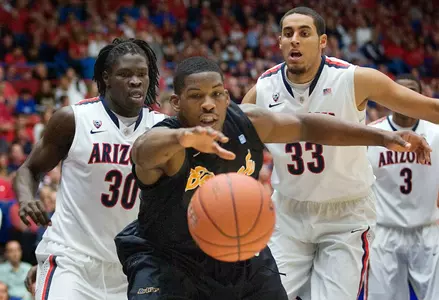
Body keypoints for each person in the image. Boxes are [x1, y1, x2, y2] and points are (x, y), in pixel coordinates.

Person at [114, 56, 431, 300]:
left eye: (216, 94)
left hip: (235, 248)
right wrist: (184, 138)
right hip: (166, 257)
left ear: (227, 97)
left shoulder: (246, 121)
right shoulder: (167, 142)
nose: (208, 103)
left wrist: (381, 138)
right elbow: (142, 150)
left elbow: (308, 125)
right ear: (177, 103)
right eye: (196, 96)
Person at [241, 6, 439, 300]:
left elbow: (429, 108)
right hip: (288, 213)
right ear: (280, 42)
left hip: (345, 214)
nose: (295, 39)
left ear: (322, 42)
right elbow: (237, 140)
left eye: (304, 33)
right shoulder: (263, 89)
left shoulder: (353, 79)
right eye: (288, 33)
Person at [14, 38, 165, 300]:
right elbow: (29, 169)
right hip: (72, 259)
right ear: (106, 78)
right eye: (125, 74)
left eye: (142, 74)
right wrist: (27, 199)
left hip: (131, 265)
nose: (136, 81)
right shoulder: (74, 119)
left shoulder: (163, 129)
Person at [366, 74, 439, 300]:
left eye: (411, 92)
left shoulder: (435, 131)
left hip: (427, 230)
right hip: (384, 232)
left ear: (420, 97)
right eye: (401, 92)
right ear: (391, 97)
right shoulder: (373, 134)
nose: (406, 97)